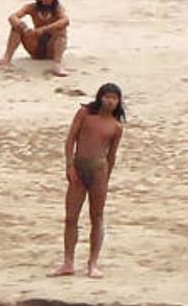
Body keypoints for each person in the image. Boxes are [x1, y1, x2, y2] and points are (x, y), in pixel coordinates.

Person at [49, 83, 125, 279]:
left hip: (99, 171)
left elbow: (111, 155)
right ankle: (68, 262)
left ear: (118, 102)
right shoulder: (84, 114)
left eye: (114, 98)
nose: (109, 101)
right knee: (71, 217)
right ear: (100, 97)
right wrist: (69, 165)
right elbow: (71, 139)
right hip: (79, 167)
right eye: (106, 97)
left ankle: (93, 262)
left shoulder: (116, 127)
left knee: (96, 217)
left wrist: (107, 178)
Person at [0, 0, 70, 77]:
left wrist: (45, 29)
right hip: (35, 47)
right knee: (16, 28)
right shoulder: (32, 7)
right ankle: (6, 58)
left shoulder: (58, 9)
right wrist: (24, 28)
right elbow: (12, 17)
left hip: (51, 49)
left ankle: (57, 64)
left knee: (61, 31)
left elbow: (65, 20)